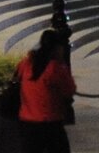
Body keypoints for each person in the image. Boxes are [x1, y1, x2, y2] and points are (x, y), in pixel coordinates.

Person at [16, 24, 76, 153]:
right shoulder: (55, 68)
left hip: (27, 122)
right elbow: (70, 89)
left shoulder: (26, 63)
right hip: (50, 123)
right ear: (56, 48)